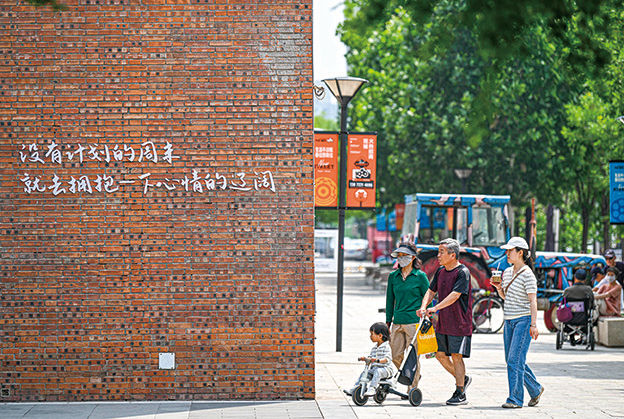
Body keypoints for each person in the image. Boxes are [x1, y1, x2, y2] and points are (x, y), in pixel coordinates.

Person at [417, 238, 472, 406]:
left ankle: (460, 392)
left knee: (456, 356)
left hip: (459, 323)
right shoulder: (441, 271)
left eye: (442, 252)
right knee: (440, 355)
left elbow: (455, 295)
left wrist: (435, 308)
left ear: (452, 255)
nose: (438, 255)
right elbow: (430, 291)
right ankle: (462, 378)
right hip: (444, 322)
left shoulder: (463, 272)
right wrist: (423, 306)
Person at [490, 236, 543, 409]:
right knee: (512, 360)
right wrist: (498, 288)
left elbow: (533, 301)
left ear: (520, 253)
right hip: (509, 320)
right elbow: (506, 297)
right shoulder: (506, 272)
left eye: (510, 250)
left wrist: (533, 324)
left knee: (514, 360)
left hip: (523, 320)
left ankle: (515, 399)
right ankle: (535, 389)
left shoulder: (528, 274)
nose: (507, 254)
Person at [385, 242, 430, 391]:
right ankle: (411, 376)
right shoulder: (393, 276)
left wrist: (427, 316)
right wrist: (388, 322)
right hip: (397, 321)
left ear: (413, 257)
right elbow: (390, 300)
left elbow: (428, 298)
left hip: (414, 322)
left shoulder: (420, 276)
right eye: (399, 255)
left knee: (412, 357)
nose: (401, 258)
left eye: (405, 255)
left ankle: (412, 388)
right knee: (395, 356)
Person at [344, 322, 396, 397]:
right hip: (375, 369)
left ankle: (372, 388)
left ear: (380, 335)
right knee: (365, 373)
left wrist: (377, 360)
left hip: (386, 369)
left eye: (372, 334)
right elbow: (370, 358)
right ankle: (357, 387)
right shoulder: (374, 348)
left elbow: (387, 359)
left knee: (378, 371)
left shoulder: (386, 347)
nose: (370, 336)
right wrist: (365, 359)